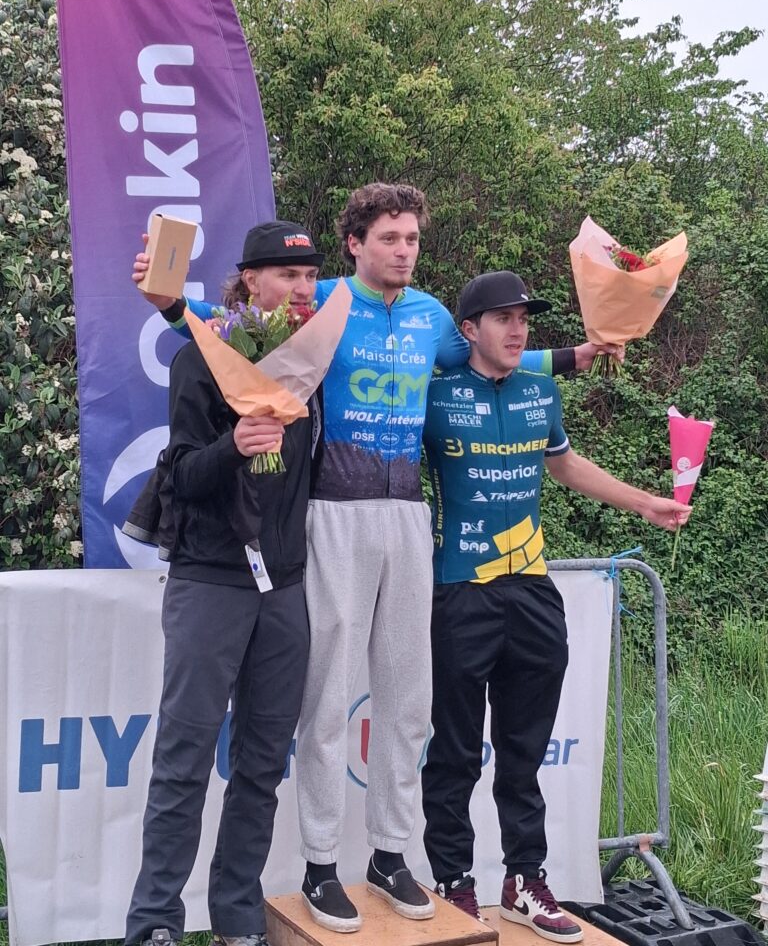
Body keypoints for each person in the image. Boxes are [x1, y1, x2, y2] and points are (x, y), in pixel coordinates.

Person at [132, 188, 618, 934]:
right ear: (355, 243)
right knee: (326, 699)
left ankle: (390, 854)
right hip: (329, 514)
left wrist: (574, 357)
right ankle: (320, 864)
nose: (404, 250)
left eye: (413, 238)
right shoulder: (319, 301)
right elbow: (233, 335)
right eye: (389, 237)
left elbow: (492, 352)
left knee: (408, 699)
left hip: (408, 517)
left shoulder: (431, 315)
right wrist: (170, 305)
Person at [420, 270, 691, 940]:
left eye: (524, 320)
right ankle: (453, 883)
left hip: (533, 590)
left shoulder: (540, 392)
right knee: (455, 752)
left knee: (523, 752)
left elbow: (565, 465)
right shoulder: (435, 393)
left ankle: (523, 880)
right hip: (461, 588)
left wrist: (645, 502)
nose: (517, 330)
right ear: (468, 329)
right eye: (503, 319)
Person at [124, 221, 322, 946]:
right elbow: (180, 476)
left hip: (286, 591)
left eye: (310, 277)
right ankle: (154, 923)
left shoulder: (311, 366)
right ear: (250, 281)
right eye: (287, 275)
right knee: (183, 762)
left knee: (263, 766)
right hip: (210, 582)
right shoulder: (200, 361)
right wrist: (234, 446)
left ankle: (237, 916)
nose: (302, 289)